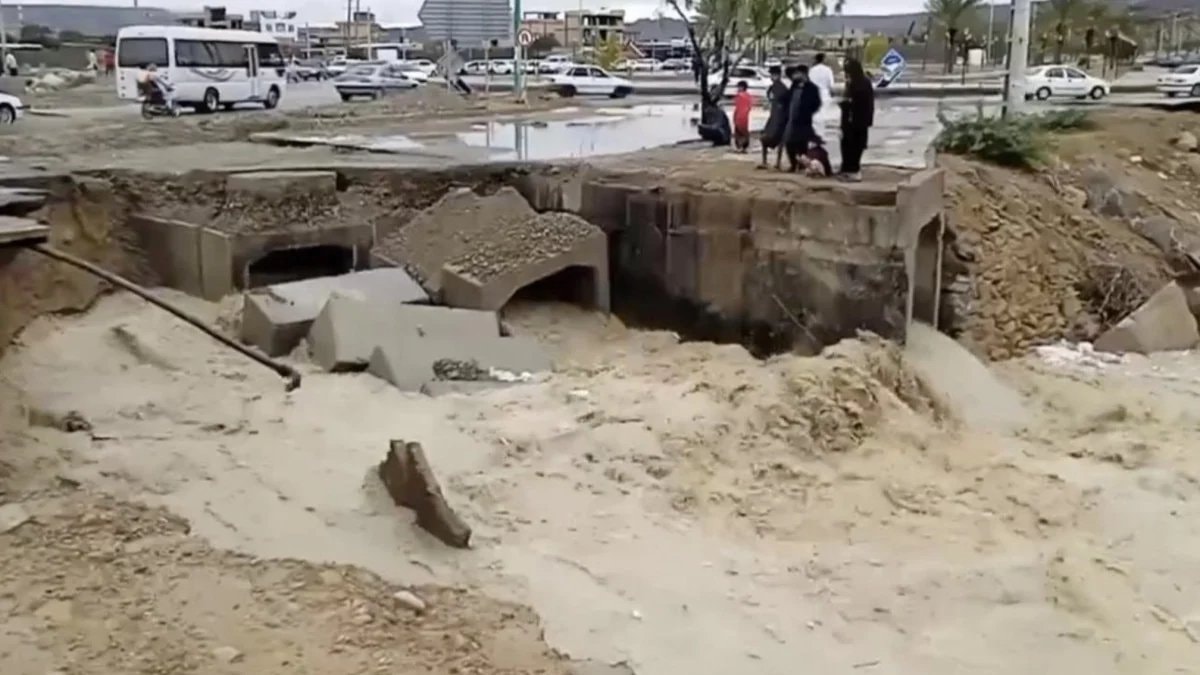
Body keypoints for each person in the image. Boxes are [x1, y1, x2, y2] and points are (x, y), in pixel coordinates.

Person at [838, 58, 875, 182]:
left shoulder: (862, 83)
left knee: (855, 146)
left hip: (858, 121)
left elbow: (861, 103)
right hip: (850, 121)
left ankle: (854, 171)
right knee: (846, 145)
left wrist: (847, 103)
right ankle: (847, 169)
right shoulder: (852, 82)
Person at [783, 64, 821, 173]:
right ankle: (793, 164)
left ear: (804, 74)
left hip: (803, 120)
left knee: (801, 143)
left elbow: (817, 103)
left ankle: (802, 164)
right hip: (791, 118)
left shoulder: (812, 88)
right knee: (789, 142)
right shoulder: (794, 85)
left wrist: (807, 112)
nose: (796, 75)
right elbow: (788, 98)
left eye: (798, 73)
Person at [758, 65, 790, 169]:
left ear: (779, 75)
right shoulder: (773, 87)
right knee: (765, 138)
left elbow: (784, 104)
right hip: (774, 116)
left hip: (780, 118)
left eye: (774, 75)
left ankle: (777, 162)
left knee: (779, 139)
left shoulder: (782, 88)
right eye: (771, 75)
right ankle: (766, 161)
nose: (772, 77)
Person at [808, 52, 837, 132]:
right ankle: (821, 132)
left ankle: (815, 131)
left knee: (815, 115)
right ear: (823, 59)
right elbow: (831, 84)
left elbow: (809, 82)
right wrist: (832, 93)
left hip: (813, 94)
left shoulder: (812, 70)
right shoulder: (828, 70)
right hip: (825, 95)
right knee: (823, 115)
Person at [732, 80, 753, 153]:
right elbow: (749, 106)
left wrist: (735, 116)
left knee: (738, 131)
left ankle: (740, 146)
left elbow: (737, 106)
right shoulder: (748, 96)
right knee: (744, 131)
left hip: (739, 116)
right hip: (745, 116)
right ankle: (744, 147)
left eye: (739, 87)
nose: (738, 88)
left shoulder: (739, 96)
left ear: (742, 87)